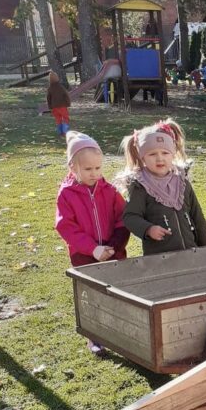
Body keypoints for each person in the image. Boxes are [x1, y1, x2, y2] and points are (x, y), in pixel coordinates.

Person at [55, 130, 129, 354]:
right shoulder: (67, 194)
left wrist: (115, 245)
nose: (94, 173)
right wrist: (92, 248)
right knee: (92, 295)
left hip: (112, 252)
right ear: (73, 168)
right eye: (88, 169)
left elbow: (122, 218)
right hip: (85, 255)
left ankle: (121, 330)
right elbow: (66, 226)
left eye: (98, 168)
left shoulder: (110, 190)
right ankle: (95, 337)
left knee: (117, 291)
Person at [118, 121, 206, 255]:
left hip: (192, 253)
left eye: (165, 153)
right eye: (152, 154)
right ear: (142, 157)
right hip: (160, 258)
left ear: (173, 154)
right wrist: (148, 229)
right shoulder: (141, 186)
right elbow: (130, 216)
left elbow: (198, 218)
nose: (159, 158)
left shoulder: (181, 181)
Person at [46, 72, 71, 137]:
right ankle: (65, 132)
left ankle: (60, 132)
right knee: (65, 118)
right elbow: (66, 95)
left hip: (54, 107)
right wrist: (68, 103)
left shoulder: (50, 88)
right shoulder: (61, 87)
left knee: (58, 119)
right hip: (62, 105)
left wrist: (50, 106)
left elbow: (48, 98)